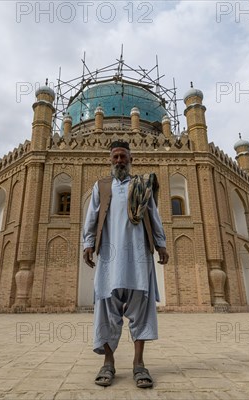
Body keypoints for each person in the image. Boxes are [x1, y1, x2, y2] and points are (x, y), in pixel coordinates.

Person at [83, 140, 169, 388]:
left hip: (139, 258)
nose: (119, 161)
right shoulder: (101, 186)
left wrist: (161, 244)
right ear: (110, 160)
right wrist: (88, 244)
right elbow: (92, 216)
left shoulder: (141, 184)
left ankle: (139, 365)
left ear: (131, 159)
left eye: (123, 157)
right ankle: (108, 363)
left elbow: (153, 215)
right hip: (110, 259)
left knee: (141, 310)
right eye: (115, 157)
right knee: (106, 312)